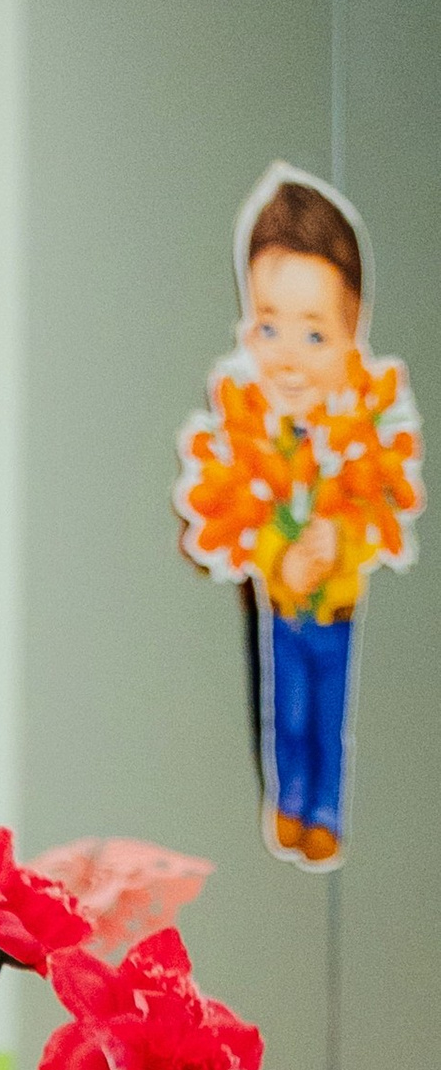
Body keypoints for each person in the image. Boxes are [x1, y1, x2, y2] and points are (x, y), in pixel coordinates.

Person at [174, 170, 424, 868]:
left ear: (354, 333)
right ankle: (289, 802)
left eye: (314, 334)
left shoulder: (368, 427)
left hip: (339, 606)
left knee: (330, 712)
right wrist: (278, 551)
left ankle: (325, 810)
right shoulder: (248, 427)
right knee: (286, 708)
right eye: (269, 326)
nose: (287, 356)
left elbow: (382, 507)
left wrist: (338, 539)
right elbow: (236, 513)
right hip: (281, 605)